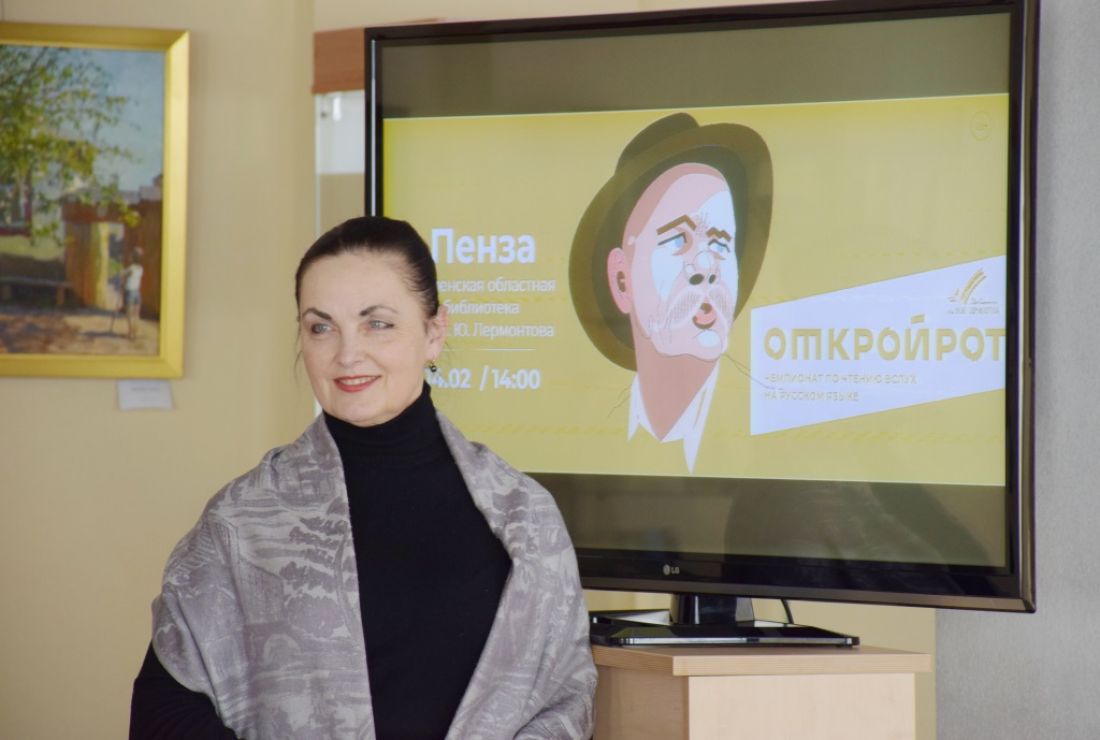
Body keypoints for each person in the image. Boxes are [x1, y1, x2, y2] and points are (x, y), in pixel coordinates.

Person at [130, 216, 596, 739]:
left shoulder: (524, 518)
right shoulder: (242, 522)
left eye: (377, 323)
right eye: (321, 327)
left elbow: (565, 701)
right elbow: (164, 709)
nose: (347, 354)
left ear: (434, 333)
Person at [569, 113, 772, 471]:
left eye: (721, 243)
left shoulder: (765, 419)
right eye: (679, 240)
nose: (707, 265)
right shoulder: (585, 421)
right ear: (621, 280)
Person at [119, 247, 145, 340]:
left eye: (131, 255)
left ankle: (131, 333)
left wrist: (122, 273)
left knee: (129, 314)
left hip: (129, 292)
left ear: (133, 257)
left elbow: (123, 275)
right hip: (137, 293)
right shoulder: (140, 268)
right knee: (136, 314)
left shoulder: (131, 268)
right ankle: (135, 332)